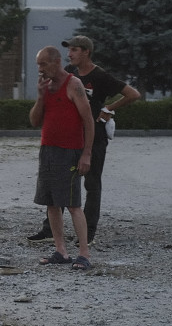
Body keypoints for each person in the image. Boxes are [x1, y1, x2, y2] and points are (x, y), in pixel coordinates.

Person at [27, 36, 141, 245]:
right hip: (70, 138)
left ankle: (88, 233)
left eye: (75, 50)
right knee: (59, 183)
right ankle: (49, 230)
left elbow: (133, 94)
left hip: (94, 136)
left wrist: (108, 109)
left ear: (86, 52)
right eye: (69, 50)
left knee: (91, 183)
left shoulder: (100, 76)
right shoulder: (69, 74)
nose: (70, 54)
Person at [30, 46, 94, 270]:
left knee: (72, 203)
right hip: (48, 150)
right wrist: (40, 96)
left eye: (43, 64)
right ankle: (61, 251)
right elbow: (34, 121)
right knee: (51, 203)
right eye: (38, 64)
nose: (39, 68)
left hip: (69, 152)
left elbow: (89, 121)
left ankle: (84, 253)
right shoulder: (45, 87)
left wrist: (86, 154)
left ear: (56, 62)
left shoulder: (73, 84)